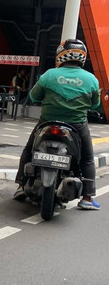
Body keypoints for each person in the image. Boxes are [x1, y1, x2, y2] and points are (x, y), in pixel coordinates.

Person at [13, 38, 101, 210]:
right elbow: (95, 104)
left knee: (29, 150)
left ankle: (21, 186)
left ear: (61, 55)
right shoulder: (91, 79)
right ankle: (87, 198)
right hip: (77, 125)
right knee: (88, 159)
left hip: (47, 121)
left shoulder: (49, 75)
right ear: (82, 58)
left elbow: (34, 97)